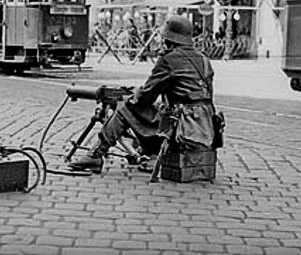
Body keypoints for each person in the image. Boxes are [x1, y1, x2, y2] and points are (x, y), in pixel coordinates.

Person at [68, 15, 216, 174]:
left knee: (126, 107)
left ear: (168, 38)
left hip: (184, 128)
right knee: (159, 110)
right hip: (206, 127)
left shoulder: (169, 59)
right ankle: (150, 155)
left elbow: (145, 98)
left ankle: (96, 154)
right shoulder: (203, 59)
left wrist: (131, 95)